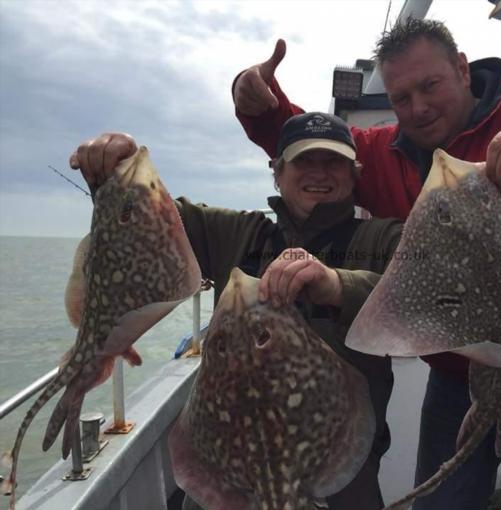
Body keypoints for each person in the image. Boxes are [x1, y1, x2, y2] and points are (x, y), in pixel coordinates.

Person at [231, 17, 501, 510]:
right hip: (453, 379)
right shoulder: (383, 151)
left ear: (462, 70)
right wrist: (264, 113)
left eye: (430, 85)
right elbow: (319, 160)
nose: (417, 108)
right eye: (401, 98)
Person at [70, 112, 402, 509]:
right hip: (228, 458)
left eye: (333, 162)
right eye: (303, 161)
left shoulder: (382, 237)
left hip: (338, 456)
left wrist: (336, 284)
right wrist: (118, 169)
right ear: (277, 172)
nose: (319, 173)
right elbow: (146, 220)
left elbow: (411, 297)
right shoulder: (238, 232)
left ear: (354, 172)